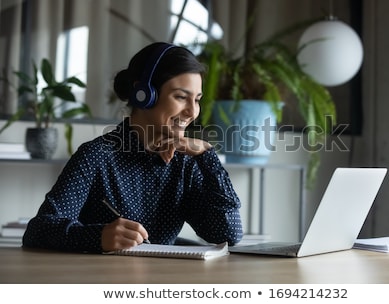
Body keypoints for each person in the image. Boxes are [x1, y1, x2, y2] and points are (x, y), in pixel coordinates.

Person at [22, 42, 243, 253]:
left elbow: (228, 233)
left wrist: (208, 156)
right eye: (181, 97)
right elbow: (38, 231)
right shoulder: (96, 156)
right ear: (144, 95)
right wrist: (99, 237)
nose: (192, 112)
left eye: (197, 100)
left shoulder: (186, 163)